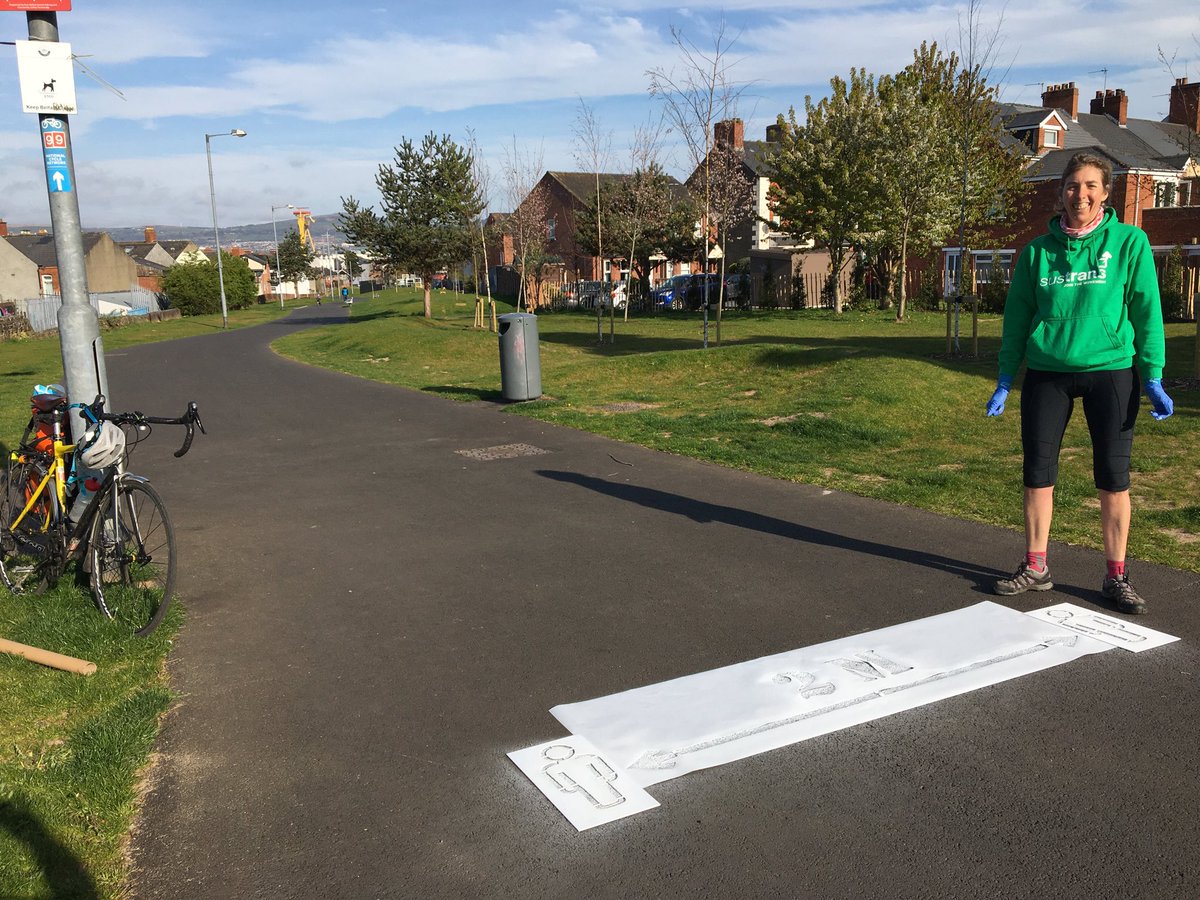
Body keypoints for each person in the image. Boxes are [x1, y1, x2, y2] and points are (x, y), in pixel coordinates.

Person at [985, 152, 1173, 615]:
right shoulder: (1036, 252)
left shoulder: (1130, 243)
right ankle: (1036, 567)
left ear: (1106, 193)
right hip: (1048, 373)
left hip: (1111, 372)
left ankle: (1116, 576)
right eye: (1072, 185)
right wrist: (1006, 378)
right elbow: (1016, 319)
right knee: (1038, 473)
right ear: (1060, 192)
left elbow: (1147, 312)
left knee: (1113, 478)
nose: (1080, 194)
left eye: (1091, 186)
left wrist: (1153, 375)